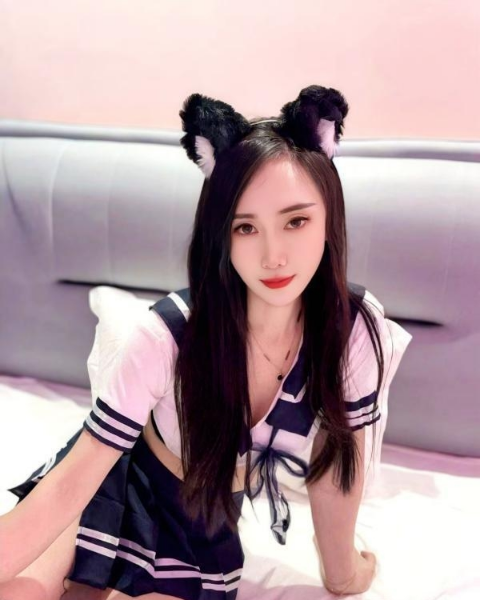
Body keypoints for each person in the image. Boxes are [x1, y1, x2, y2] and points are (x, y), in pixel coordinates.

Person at [0, 85, 413, 599]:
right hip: (112, 482)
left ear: (329, 217)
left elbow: (335, 470)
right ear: (222, 235)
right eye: (246, 228)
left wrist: (343, 575)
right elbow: (71, 484)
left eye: (296, 221)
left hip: (197, 523)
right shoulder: (169, 334)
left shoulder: (354, 331)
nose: (274, 256)